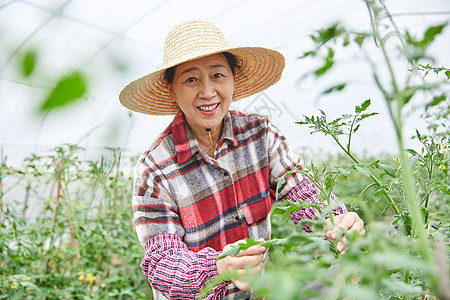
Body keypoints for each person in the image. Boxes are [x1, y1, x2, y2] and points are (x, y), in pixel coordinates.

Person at [119, 20, 365, 300]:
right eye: (191, 79)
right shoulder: (155, 169)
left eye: (218, 75)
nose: (207, 92)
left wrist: (335, 222)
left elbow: (301, 191)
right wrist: (217, 268)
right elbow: (161, 262)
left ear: (233, 80)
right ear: (172, 90)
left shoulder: (261, 135)